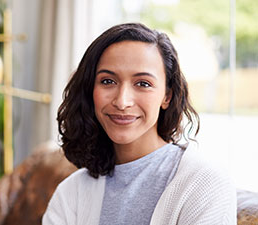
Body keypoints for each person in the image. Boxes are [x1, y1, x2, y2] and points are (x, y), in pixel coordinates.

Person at [42, 23, 237, 225]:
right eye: (108, 81)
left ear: (167, 96)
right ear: (91, 90)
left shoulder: (204, 183)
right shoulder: (71, 193)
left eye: (143, 84)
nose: (122, 101)